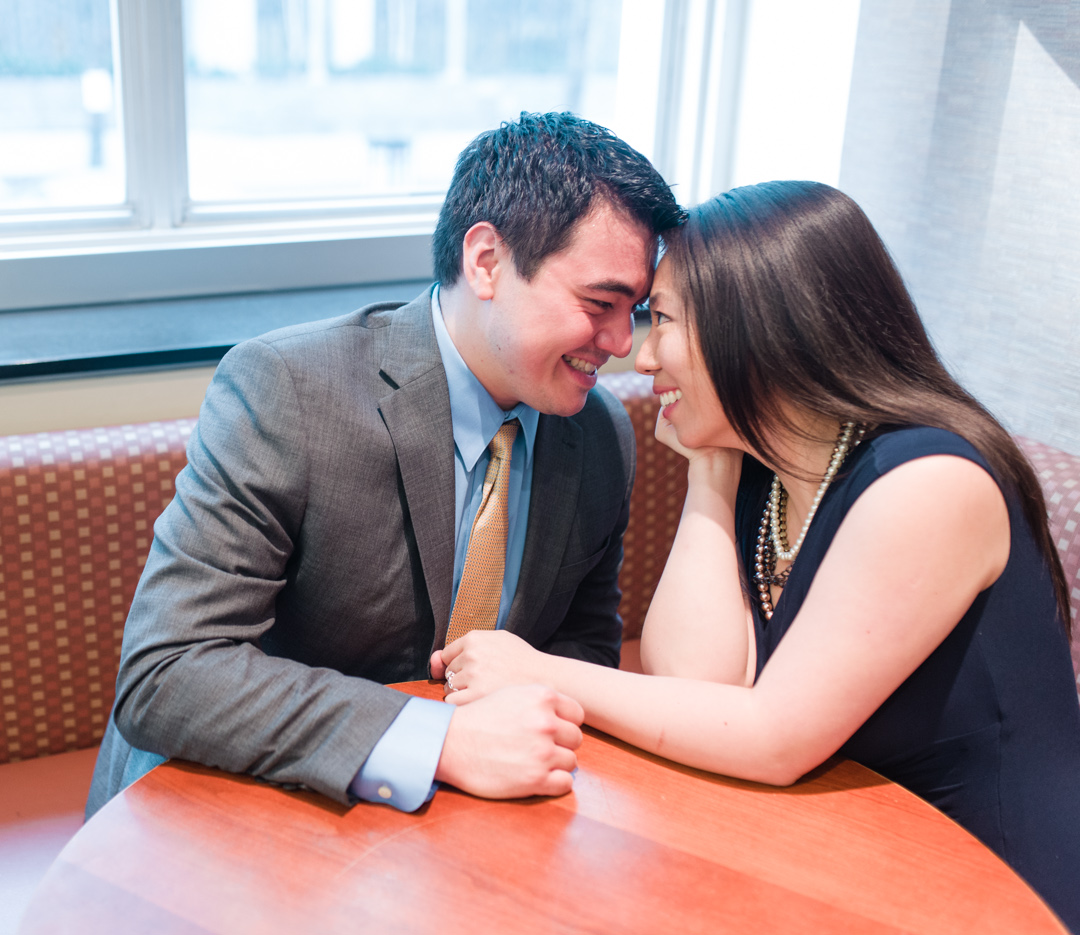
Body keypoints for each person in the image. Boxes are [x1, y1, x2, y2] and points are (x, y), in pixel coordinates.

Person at [436, 180, 1080, 930]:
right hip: (840, 855)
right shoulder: (769, 463)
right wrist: (712, 468)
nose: (641, 355)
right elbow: (700, 678)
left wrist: (538, 669)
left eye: (663, 320)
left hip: (991, 885)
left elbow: (772, 735)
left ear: (762, 328)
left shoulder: (931, 483)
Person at [84, 112, 685, 818]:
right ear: (486, 261)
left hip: (462, 823)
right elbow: (168, 672)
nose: (621, 343)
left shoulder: (599, 435)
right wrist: (439, 739)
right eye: (599, 304)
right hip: (243, 805)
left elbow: (581, 649)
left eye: (636, 310)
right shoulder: (290, 390)